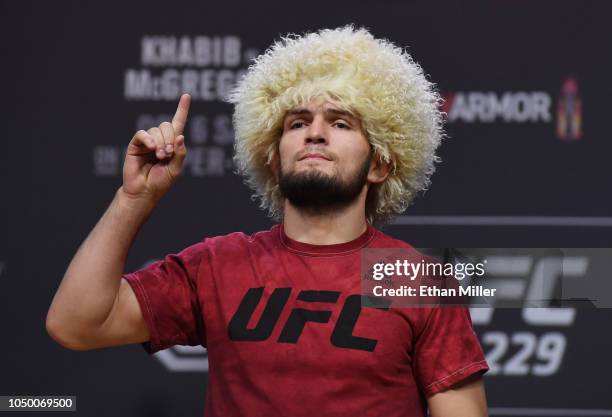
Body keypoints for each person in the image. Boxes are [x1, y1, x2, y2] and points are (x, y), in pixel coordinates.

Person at [47, 25, 489, 417]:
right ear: (273, 159)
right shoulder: (218, 266)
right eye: (297, 122)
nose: (315, 132)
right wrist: (134, 198)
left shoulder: (418, 280)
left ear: (380, 164)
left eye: (340, 123)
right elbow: (76, 324)